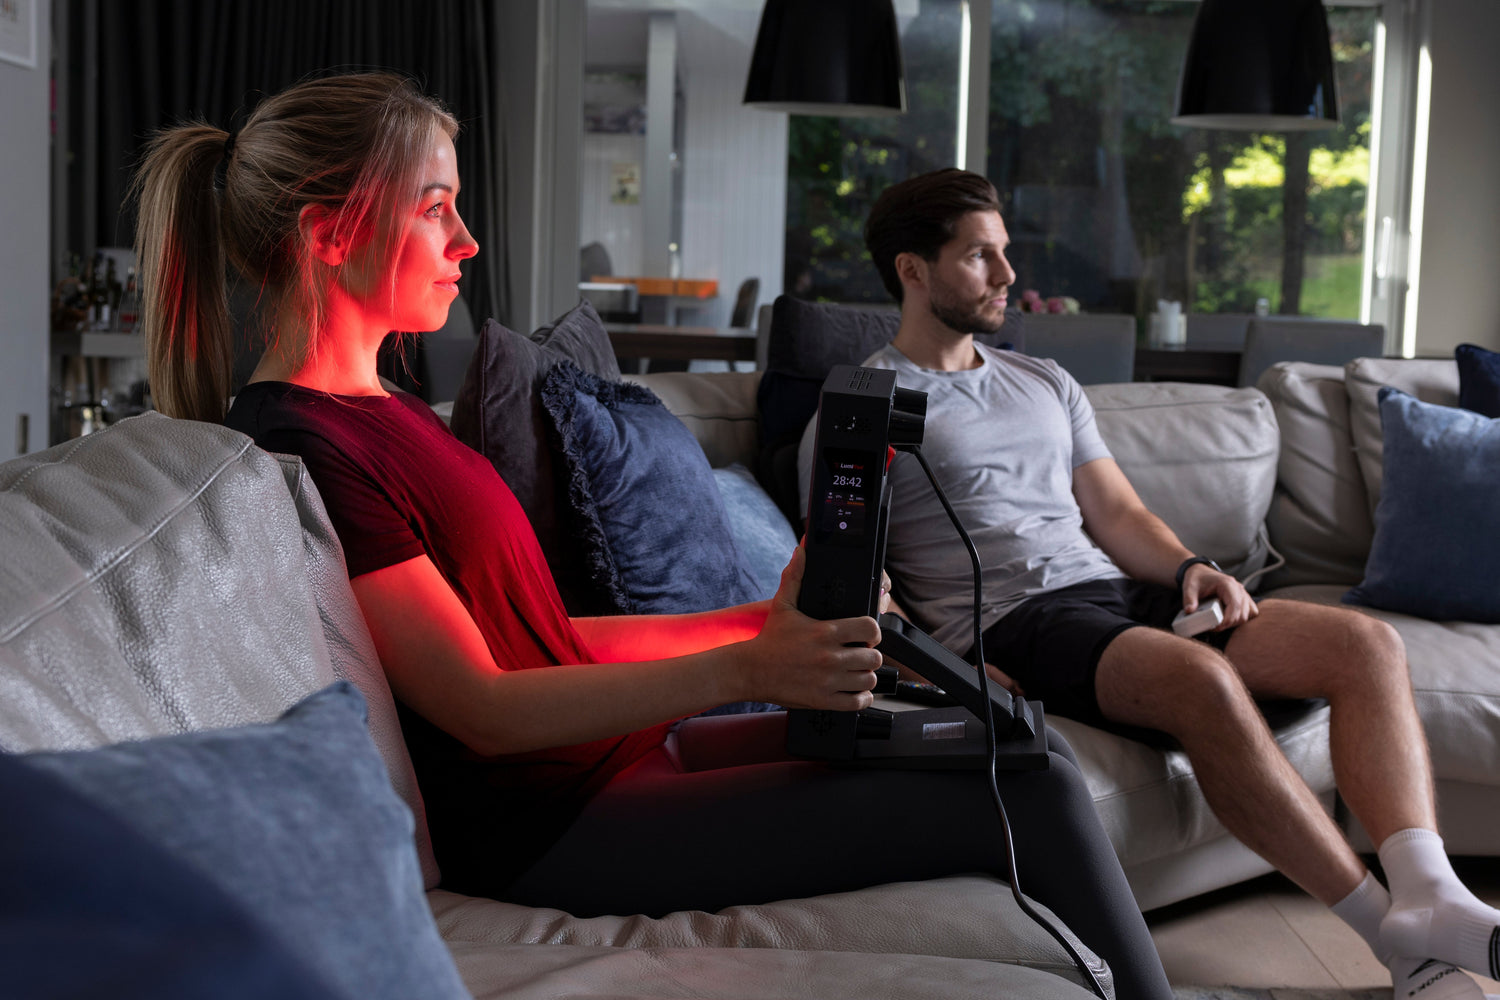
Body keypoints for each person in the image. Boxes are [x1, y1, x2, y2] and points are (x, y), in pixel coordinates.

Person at [131, 72, 1173, 999]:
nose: (467, 241)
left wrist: (757, 624)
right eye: (435, 209)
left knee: (1000, 731)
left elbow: (545, 637)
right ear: (327, 234)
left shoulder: (390, 408)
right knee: (1028, 784)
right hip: (555, 825)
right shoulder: (303, 439)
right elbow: (484, 709)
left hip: (610, 763)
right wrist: (743, 670)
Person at [810, 166, 1500, 1000]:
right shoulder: (863, 406)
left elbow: (1119, 512)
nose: (1007, 275)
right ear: (912, 271)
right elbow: (850, 567)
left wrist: (1188, 569)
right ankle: (1393, 944)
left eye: (1004, 253)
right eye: (978, 257)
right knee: (1197, 677)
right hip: (1016, 621)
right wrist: (935, 674)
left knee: (1364, 642)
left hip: (1111, 593)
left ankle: (1430, 899)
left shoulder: (1044, 383)